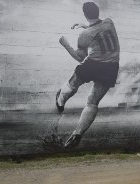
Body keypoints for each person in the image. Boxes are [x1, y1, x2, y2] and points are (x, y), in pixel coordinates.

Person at [57, 2, 120, 148]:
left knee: (73, 83)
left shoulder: (84, 35)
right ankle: (77, 134)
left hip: (94, 64)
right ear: (97, 12)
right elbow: (99, 31)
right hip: (112, 67)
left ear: (85, 14)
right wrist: (85, 25)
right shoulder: (109, 22)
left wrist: (65, 44)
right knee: (92, 102)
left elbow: (79, 57)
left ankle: (60, 101)